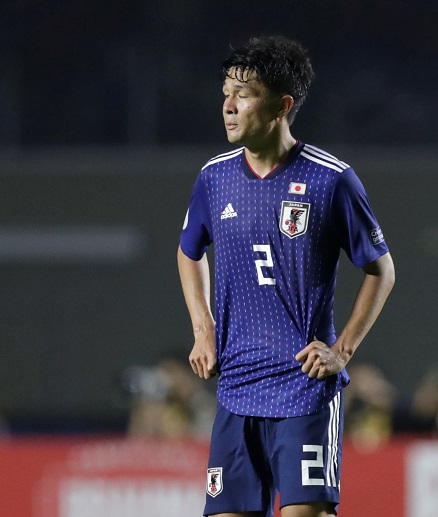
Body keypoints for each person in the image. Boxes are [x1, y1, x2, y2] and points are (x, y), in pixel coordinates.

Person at [177, 36, 395, 517]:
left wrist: (342, 351)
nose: (228, 107)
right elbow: (189, 250)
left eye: (244, 95)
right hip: (235, 390)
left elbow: (381, 269)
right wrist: (203, 326)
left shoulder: (330, 179)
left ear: (282, 105)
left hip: (305, 392)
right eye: (225, 95)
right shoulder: (214, 178)